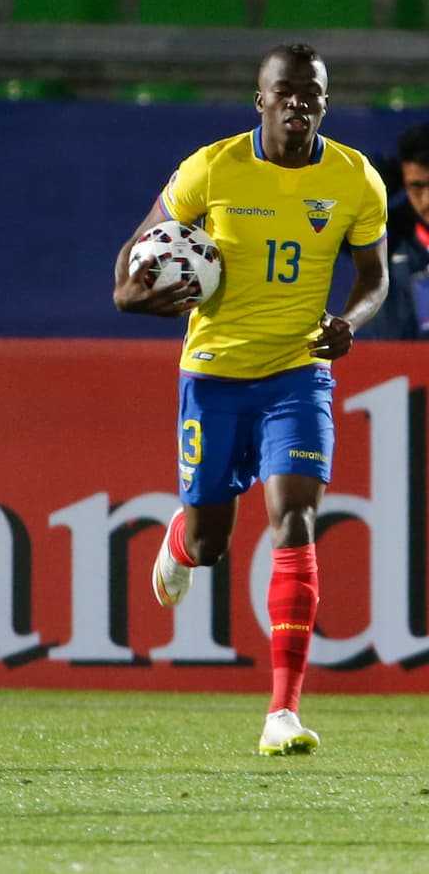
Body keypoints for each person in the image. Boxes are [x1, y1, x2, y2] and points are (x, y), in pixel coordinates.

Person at [112, 43, 388, 756]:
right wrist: (132, 295)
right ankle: (180, 538)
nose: (300, 102)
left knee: (292, 515)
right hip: (214, 373)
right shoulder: (214, 167)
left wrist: (347, 323)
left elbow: (375, 277)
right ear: (259, 99)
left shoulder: (356, 178)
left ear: (325, 102)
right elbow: (135, 255)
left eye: (313, 93)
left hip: (299, 372)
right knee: (209, 542)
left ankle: (282, 712)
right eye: (286, 91)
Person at [359, 123, 429, 340]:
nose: (427, 200)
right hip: (393, 369)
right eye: (416, 186)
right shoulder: (386, 232)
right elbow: (336, 218)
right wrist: (382, 181)